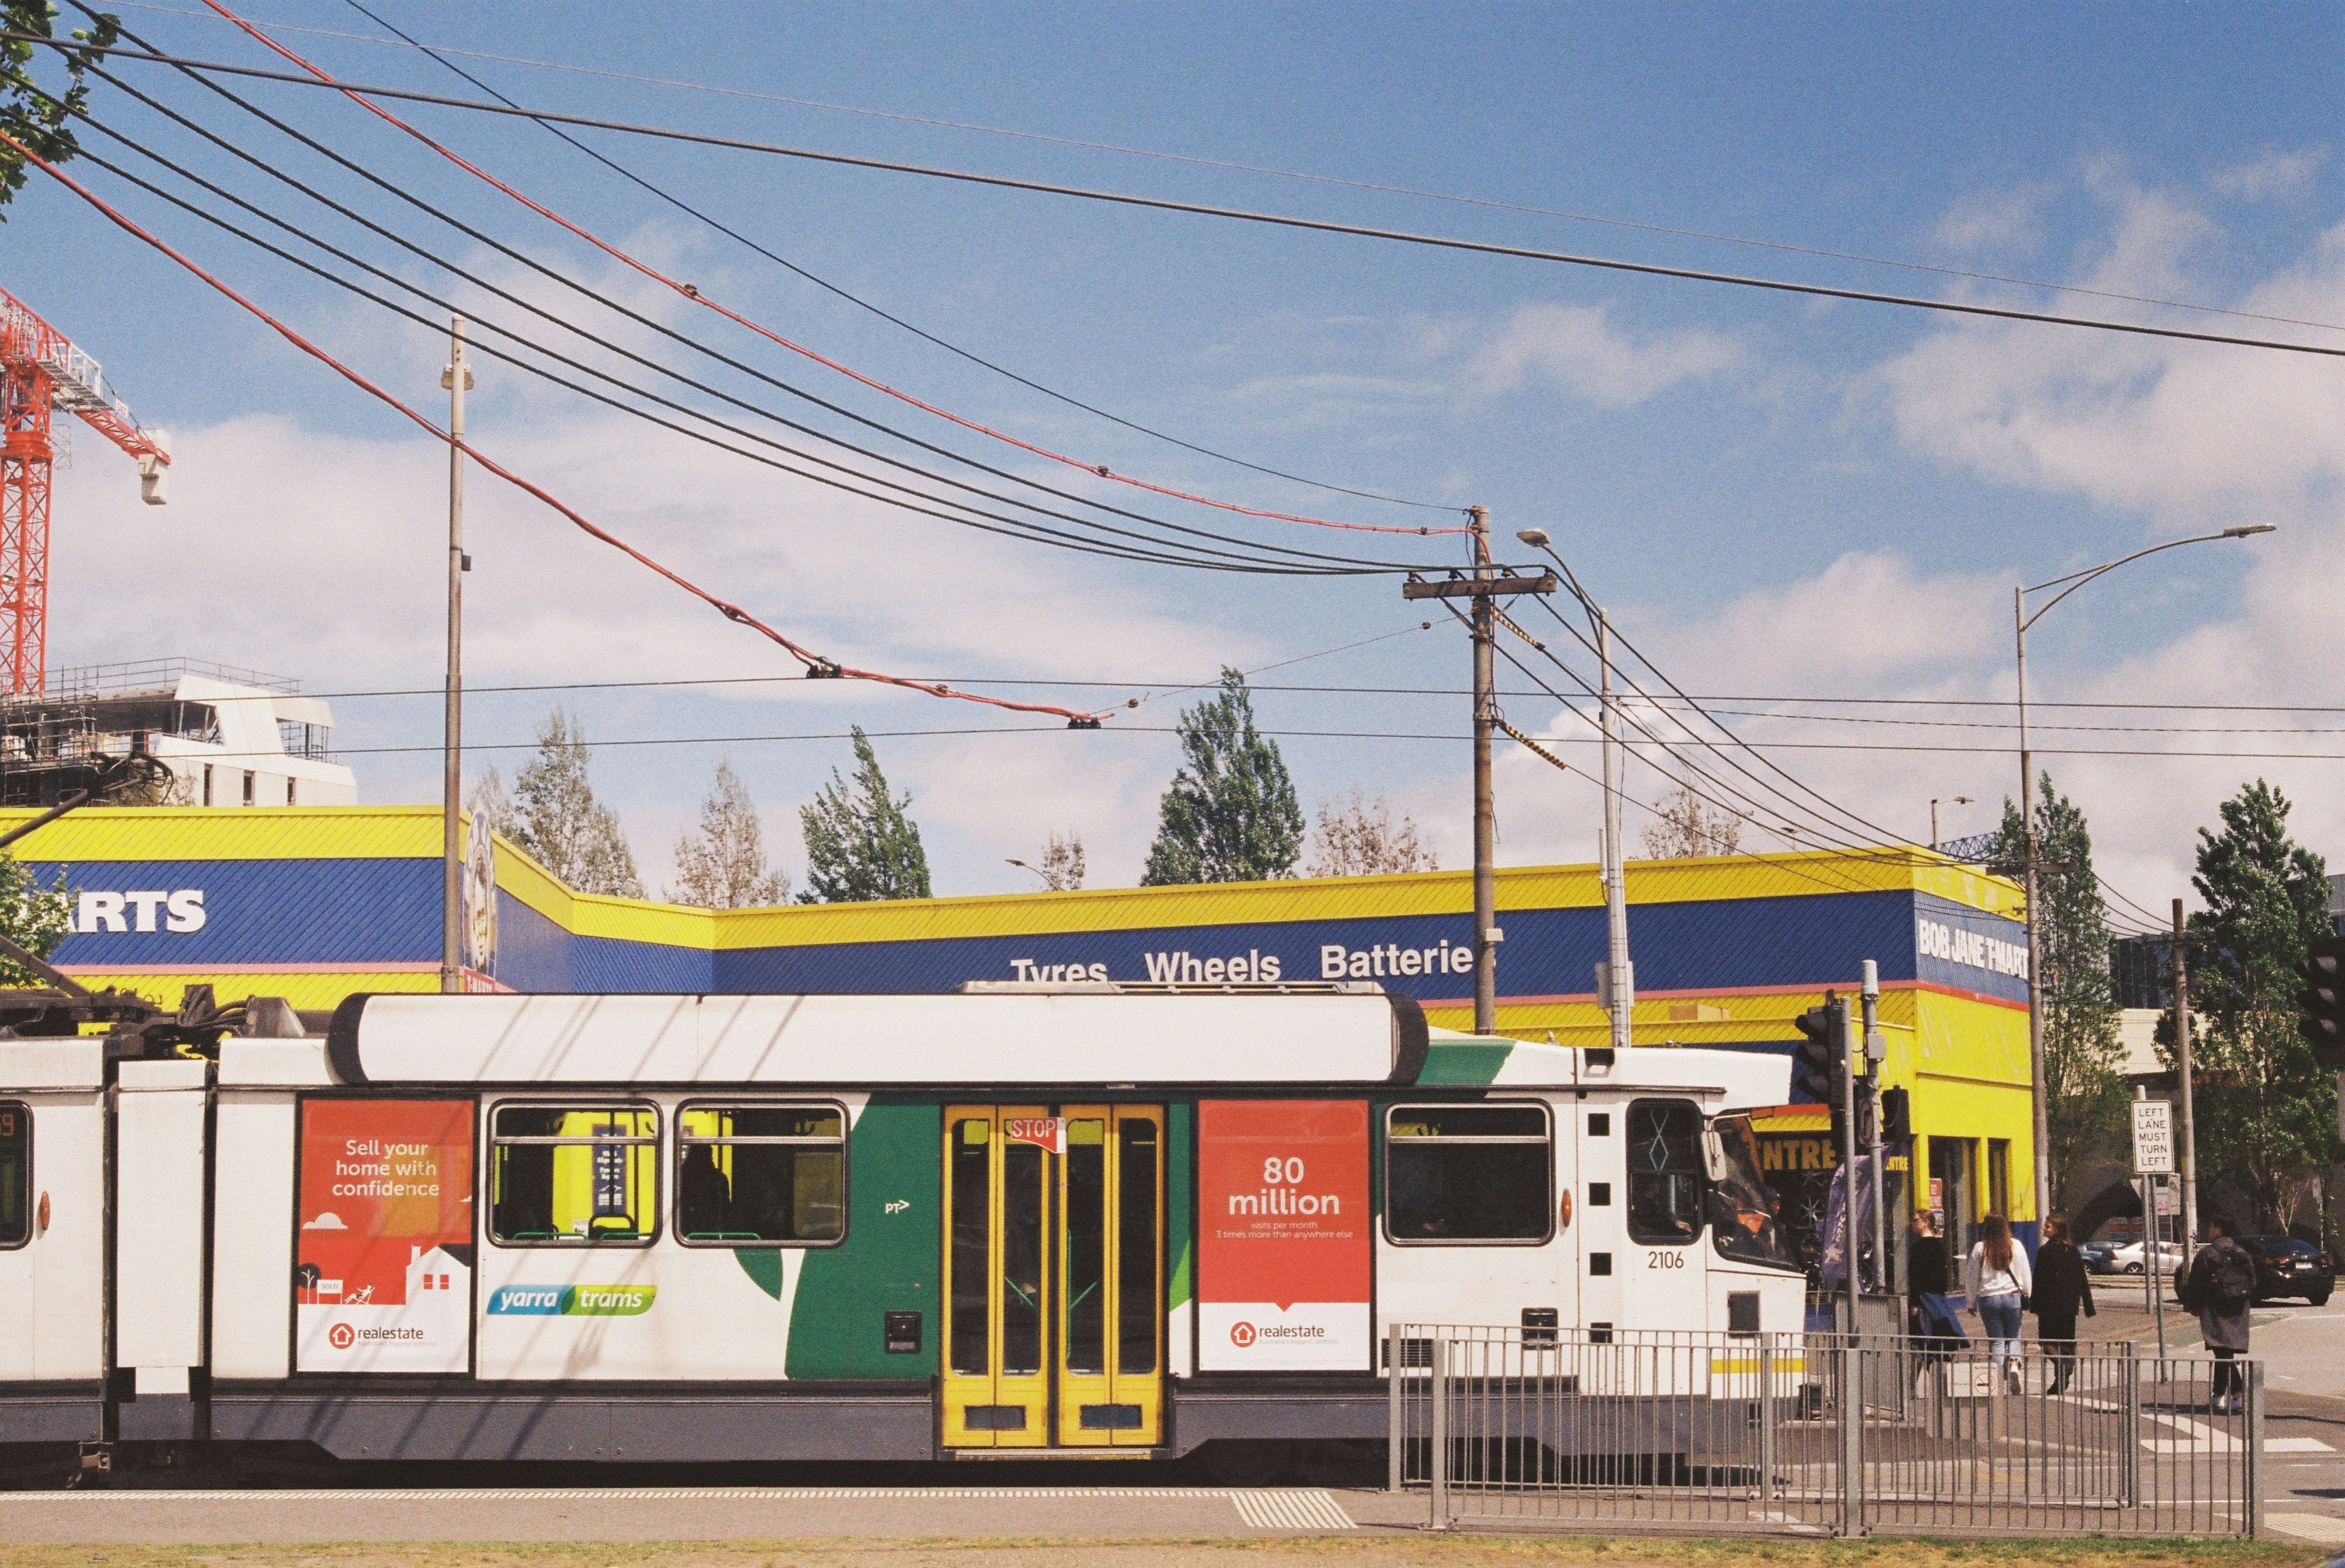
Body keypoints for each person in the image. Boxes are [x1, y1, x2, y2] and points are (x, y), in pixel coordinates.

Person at [2181, 1213, 2257, 1414]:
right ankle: (2218, 1395)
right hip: (2238, 1307)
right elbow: (2253, 1280)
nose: (2210, 1230)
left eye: (2212, 1226)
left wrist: (2193, 1306)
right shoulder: (2241, 1252)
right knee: (2224, 1351)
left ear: (2218, 1229)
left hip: (2215, 1308)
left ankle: (2237, 1394)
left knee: (2222, 1351)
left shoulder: (2208, 1254)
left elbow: (2195, 1283)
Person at [1964, 1213, 2033, 1393]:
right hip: (2012, 1296)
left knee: (1997, 1341)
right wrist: (2027, 1295)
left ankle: (1996, 1383)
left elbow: (1972, 1277)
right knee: (2014, 1337)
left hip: (1989, 1299)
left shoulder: (1980, 1248)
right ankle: (2014, 1366)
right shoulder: (2016, 1245)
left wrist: (1970, 1302)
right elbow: (2025, 1272)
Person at [2031, 1215, 2095, 1395]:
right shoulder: (2073, 1251)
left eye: (2048, 1227)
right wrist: (2088, 1306)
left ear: (2057, 1230)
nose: (2044, 1229)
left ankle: (2063, 1364)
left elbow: (2039, 1280)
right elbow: (2082, 1280)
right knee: (2066, 1342)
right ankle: (2062, 1375)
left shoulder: (2045, 1251)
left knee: (2046, 1342)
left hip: (2049, 1306)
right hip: (2069, 1306)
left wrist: (2034, 1305)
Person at [1908, 1210, 1965, 1358]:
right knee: (1938, 1334)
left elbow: (1914, 1276)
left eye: (1915, 1220)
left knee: (1923, 1337)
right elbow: (1942, 1274)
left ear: (1925, 1222)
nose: (1912, 1224)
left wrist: (1914, 1302)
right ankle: (1939, 1369)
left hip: (1923, 1299)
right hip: (1938, 1298)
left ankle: (1925, 1372)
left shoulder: (1918, 1247)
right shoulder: (1939, 1245)